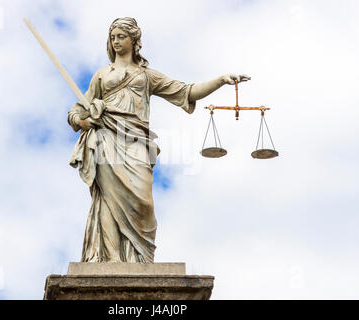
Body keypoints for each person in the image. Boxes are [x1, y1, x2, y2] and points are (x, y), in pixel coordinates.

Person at [68, 17, 249, 263]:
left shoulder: (147, 76)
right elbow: (76, 112)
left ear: (134, 40)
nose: (116, 41)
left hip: (136, 142)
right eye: (113, 37)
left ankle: (139, 259)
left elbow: (186, 92)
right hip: (106, 138)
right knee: (108, 199)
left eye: (121, 36)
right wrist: (84, 122)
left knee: (143, 205)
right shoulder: (102, 75)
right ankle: (111, 261)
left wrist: (220, 81)